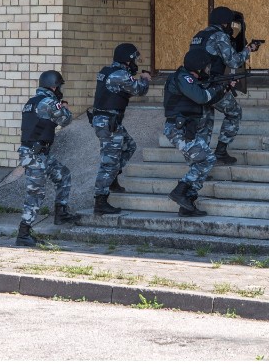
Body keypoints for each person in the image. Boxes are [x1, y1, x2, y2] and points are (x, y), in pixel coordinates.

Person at [163, 49, 233, 217]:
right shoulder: (184, 78)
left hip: (187, 128)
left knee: (200, 163)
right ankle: (180, 191)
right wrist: (219, 87)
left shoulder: (191, 79)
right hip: (178, 129)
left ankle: (187, 204)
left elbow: (209, 99)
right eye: (206, 67)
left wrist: (224, 88)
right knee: (207, 159)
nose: (208, 70)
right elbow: (202, 97)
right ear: (198, 67)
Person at [188, 6, 261, 165]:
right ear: (224, 23)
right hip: (213, 86)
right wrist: (249, 49)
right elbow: (234, 61)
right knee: (234, 112)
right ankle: (220, 152)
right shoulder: (219, 36)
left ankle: (200, 164)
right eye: (230, 24)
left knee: (205, 124)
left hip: (197, 87)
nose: (231, 27)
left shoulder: (199, 36)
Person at [16, 70, 80, 246]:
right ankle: (23, 234)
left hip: (39, 153)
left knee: (63, 174)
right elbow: (65, 120)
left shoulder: (32, 102)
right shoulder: (48, 102)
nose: (60, 90)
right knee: (35, 194)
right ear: (53, 86)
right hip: (35, 155)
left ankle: (61, 213)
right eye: (59, 86)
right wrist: (64, 107)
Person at [90, 43, 151, 215]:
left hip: (108, 121)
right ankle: (100, 201)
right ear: (128, 60)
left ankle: (112, 178)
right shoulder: (120, 75)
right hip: (109, 123)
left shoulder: (107, 71)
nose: (135, 63)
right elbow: (139, 90)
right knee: (109, 163)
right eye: (134, 59)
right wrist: (145, 78)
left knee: (129, 146)